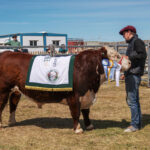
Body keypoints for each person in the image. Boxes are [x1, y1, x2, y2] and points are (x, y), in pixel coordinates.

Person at [119, 25, 147, 132]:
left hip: (134, 75)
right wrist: (125, 73)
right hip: (131, 74)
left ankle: (134, 125)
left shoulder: (137, 42)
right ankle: (137, 123)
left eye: (124, 33)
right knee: (134, 100)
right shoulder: (133, 43)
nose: (123, 36)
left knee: (132, 101)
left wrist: (129, 56)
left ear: (130, 32)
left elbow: (142, 54)